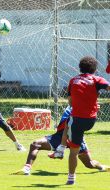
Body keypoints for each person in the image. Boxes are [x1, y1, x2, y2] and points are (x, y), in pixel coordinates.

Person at [50, 56, 110, 185]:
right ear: (94, 69)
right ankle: (61, 147)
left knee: (73, 150)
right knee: (69, 122)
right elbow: (108, 87)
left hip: (77, 120)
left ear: (80, 68)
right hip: (91, 121)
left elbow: (71, 103)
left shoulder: (73, 80)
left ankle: (70, 175)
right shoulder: (97, 79)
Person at [12, 106, 110, 177]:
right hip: (59, 136)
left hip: (76, 136)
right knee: (35, 144)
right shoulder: (72, 103)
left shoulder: (83, 106)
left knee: (89, 164)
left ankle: (102, 167)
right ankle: (26, 169)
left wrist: (59, 151)